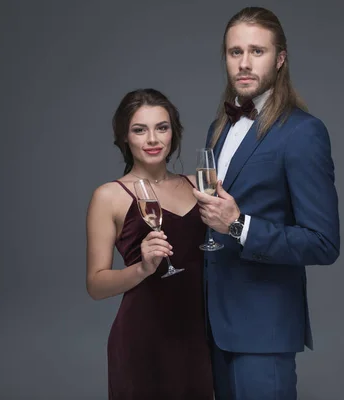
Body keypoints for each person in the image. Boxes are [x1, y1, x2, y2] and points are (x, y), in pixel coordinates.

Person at [192, 7, 341, 400]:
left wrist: (239, 225)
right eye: (234, 51)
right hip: (212, 324)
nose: (243, 63)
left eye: (256, 51)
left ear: (280, 58)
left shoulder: (303, 133)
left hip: (263, 331)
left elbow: (323, 243)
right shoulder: (219, 127)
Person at [85, 88, 214, 399]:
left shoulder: (198, 185)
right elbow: (96, 285)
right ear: (125, 138)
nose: (153, 139)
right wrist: (142, 268)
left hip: (199, 336)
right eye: (139, 130)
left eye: (162, 127)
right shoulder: (109, 196)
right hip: (143, 339)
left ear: (174, 133)